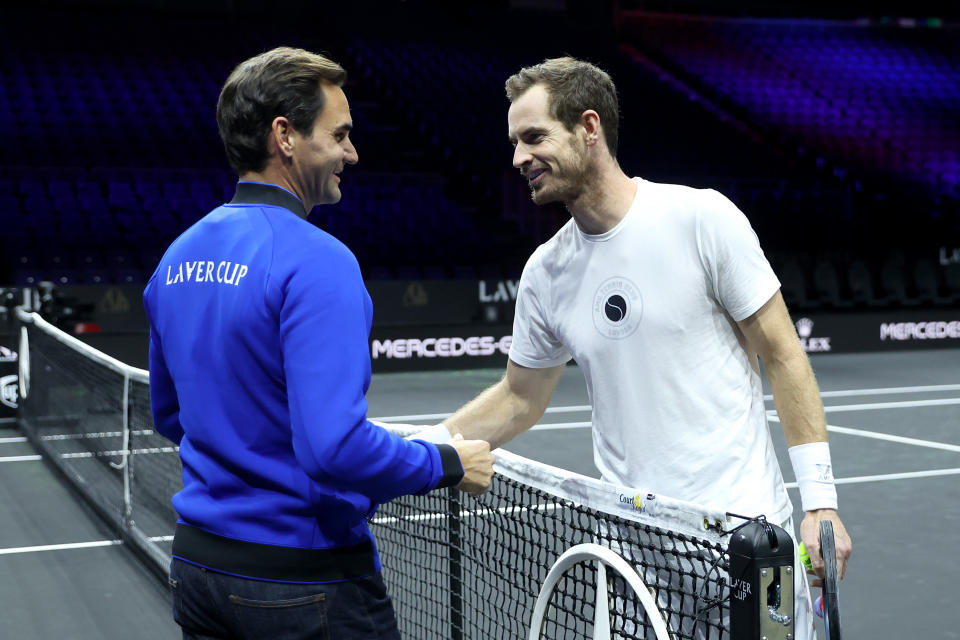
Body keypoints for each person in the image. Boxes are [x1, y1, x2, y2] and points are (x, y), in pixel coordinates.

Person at [428, 57, 852, 638]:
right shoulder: (546, 273)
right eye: (514, 142)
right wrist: (420, 452)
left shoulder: (701, 218)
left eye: (533, 137)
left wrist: (821, 503)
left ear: (589, 127)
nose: (518, 158)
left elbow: (782, 353)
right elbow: (518, 398)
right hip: (631, 555)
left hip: (749, 538)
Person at [142, 46, 494, 640]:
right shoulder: (320, 262)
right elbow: (334, 449)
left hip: (198, 570)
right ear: (285, 135)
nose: (351, 153)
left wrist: (247, 460)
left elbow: (170, 415)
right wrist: (445, 463)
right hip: (302, 582)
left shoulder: (177, 255)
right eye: (340, 134)